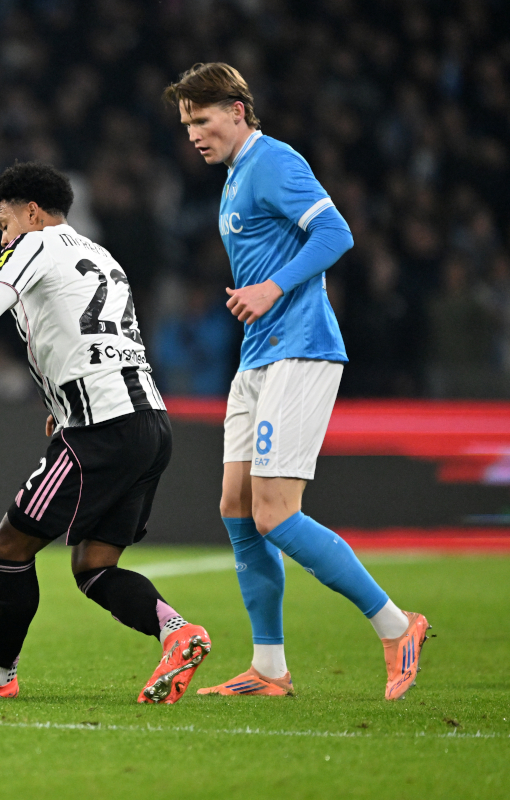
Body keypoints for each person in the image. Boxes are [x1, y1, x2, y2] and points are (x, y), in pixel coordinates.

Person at [163, 63, 429, 700]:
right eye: (186, 124)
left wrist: (272, 286)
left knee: (276, 514)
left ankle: (397, 626)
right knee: (236, 507)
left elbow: (336, 232)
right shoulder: (233, 178)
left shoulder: (273, 160)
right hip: (258, 357)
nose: (195, 134)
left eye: (202, 120)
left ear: (237, 110)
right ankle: (270, 668)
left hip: (301, 350)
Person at [0, 162, 212, 704]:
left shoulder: (37, 243)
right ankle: (178, 632)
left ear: (31, 212)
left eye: (4, 224)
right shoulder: (102, 256)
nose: (2, 239)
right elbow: (94, 336)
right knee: (95, 566)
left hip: (101, 427)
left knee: (8, 546)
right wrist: (60, 401)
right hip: (147, 422)